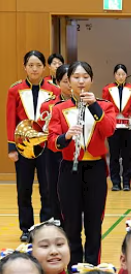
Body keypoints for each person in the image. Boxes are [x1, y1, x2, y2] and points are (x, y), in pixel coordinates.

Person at [47, 61, 116, 266]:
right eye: (76, 77)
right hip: (70, 169)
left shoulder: (104, 105)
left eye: (85, 77)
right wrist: (66, 136)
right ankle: (74, 265)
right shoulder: (59, 108)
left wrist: (94, 106)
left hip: (95, 169)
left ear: (91, 80)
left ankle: (92, 265)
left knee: (94, 222)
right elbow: (52, 141)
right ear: (68, 81)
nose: (81, 81)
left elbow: (109, 130)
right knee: (71, 223)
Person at [6, 51, 61, 242]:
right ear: (25, 67)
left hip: (46, 147)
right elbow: (10, 119)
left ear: (44, 67)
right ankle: (26, 228)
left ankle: (45, 226)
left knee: (47, 189)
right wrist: (11, 147)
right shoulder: (15, 90)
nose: (35, 69)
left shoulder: (54, 91)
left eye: (38, 65)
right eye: (31, 65)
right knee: (24, 189)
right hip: (23, 147)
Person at [39, 64, 71, 222]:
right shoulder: (48, 105)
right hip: (54, 153)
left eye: (72, 80)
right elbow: (41, 128)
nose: (70, 85)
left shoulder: (85, 103)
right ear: (58, 83)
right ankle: (57, 221)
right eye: (65, 81)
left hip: (76, 152)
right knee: (53, 188)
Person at [102, 64, 131, 191]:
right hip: (113, 127)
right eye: (118, 74)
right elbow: (105, 109)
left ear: (126, 75)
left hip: (128, 127)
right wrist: (110, 121)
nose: (121, 76)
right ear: (114, 75)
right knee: (114, 156)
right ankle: (116, 182)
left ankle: (127, 182)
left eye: (123, 74)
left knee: (127, 156)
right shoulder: (107, 89)